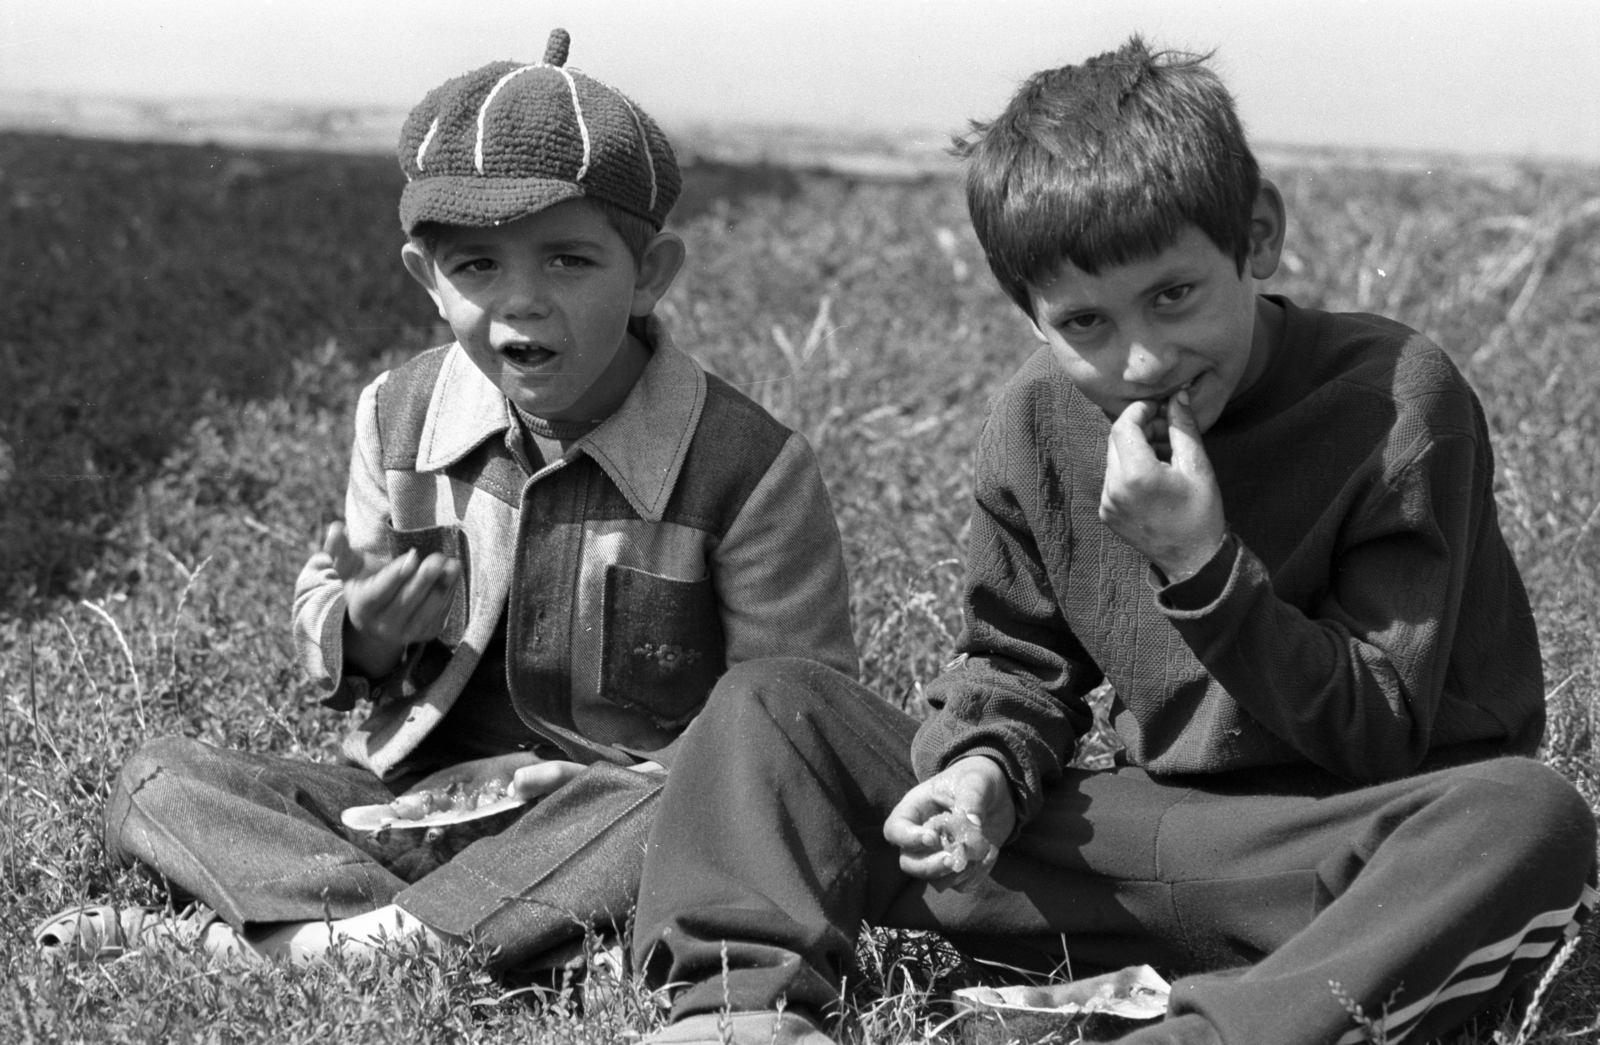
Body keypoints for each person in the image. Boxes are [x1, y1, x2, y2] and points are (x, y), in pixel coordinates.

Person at [630, 37, 1596, 1045]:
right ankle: (740, 1010)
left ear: (1255, 238)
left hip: (1345, 858)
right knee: (771, 707)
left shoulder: (1393, 395)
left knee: (1529, 818)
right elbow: (1016, 666)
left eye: (1173, 296)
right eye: (1084, 321)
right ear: (1030, 315)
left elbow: (1380, 729)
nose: (1139, 358)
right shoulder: (1040, 423)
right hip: (1135, 842)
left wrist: (1201, 566)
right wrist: (978, 777)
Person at [38, 29, 856, 970]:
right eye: (477, 266)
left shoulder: (748, 468)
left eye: (569, 261)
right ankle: (507, 935)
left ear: (652, 274)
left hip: (617, 810)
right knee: (159, 780)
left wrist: (617, 779)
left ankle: (335, 944)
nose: (521, 302)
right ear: (428, 279)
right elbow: (334, 612)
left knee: (681, 813)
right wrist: (367, 629)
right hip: (408, 802)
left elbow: (795, 725)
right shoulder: (399, 417)